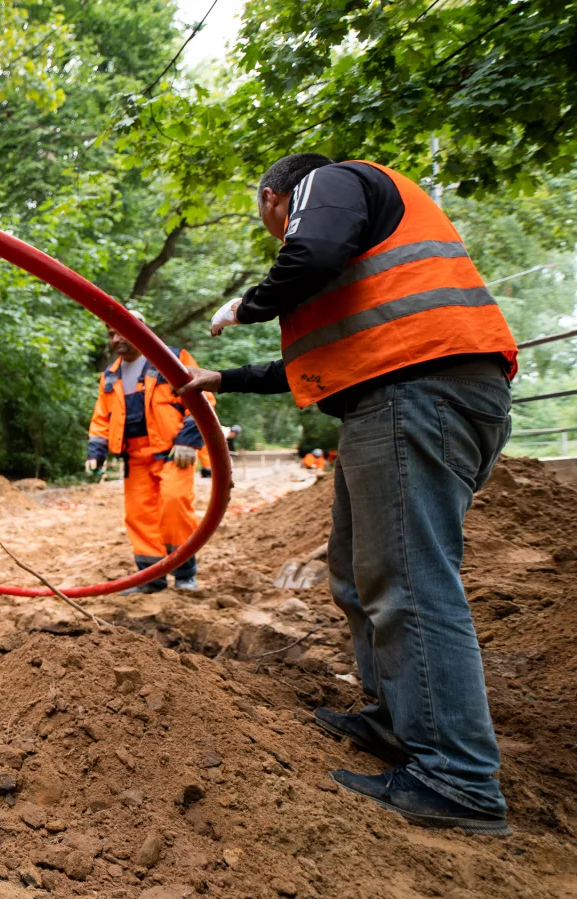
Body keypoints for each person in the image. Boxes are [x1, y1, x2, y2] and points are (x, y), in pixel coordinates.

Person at [180, 152, 518, 836]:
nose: (277, 236)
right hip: (404, 395)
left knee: (409, 582)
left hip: (417, 393)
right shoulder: (358, 262)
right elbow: (313, 360)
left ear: (275, 195)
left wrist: (248, 304)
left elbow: (310, 251)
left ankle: (456, 773)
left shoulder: (329, 185)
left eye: (268, 221)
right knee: (356, 570)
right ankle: (401, 721)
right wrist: (224, 378)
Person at [86, 313, 211, 593]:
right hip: (135, 458)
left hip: (173, 453)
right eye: (111, 334)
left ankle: (184, 574)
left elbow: (202, 398)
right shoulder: (110, 375)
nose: (115, 339)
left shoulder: (174, 359)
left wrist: (189, 441)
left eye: (121, 332)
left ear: (140, 329)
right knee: (139, 516)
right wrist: (95, 452)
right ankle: (150, 579)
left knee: (174, 506)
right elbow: (101, 419)